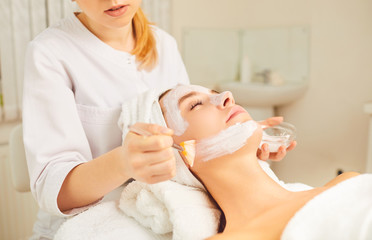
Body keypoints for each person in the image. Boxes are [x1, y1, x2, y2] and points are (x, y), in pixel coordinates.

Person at [22, 2, 292, 239]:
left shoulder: (163, 44)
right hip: (90, 225)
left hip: (160, 211)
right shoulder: (51, 53)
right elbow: (51, 187)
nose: (114, 0)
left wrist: (239, 143)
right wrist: (123, 163)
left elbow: (187, 141)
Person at [157, 84, 371, 239]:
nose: (227, 96)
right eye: (195, 105)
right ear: (180, 155)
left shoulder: (346, 183)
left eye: (215, 93)